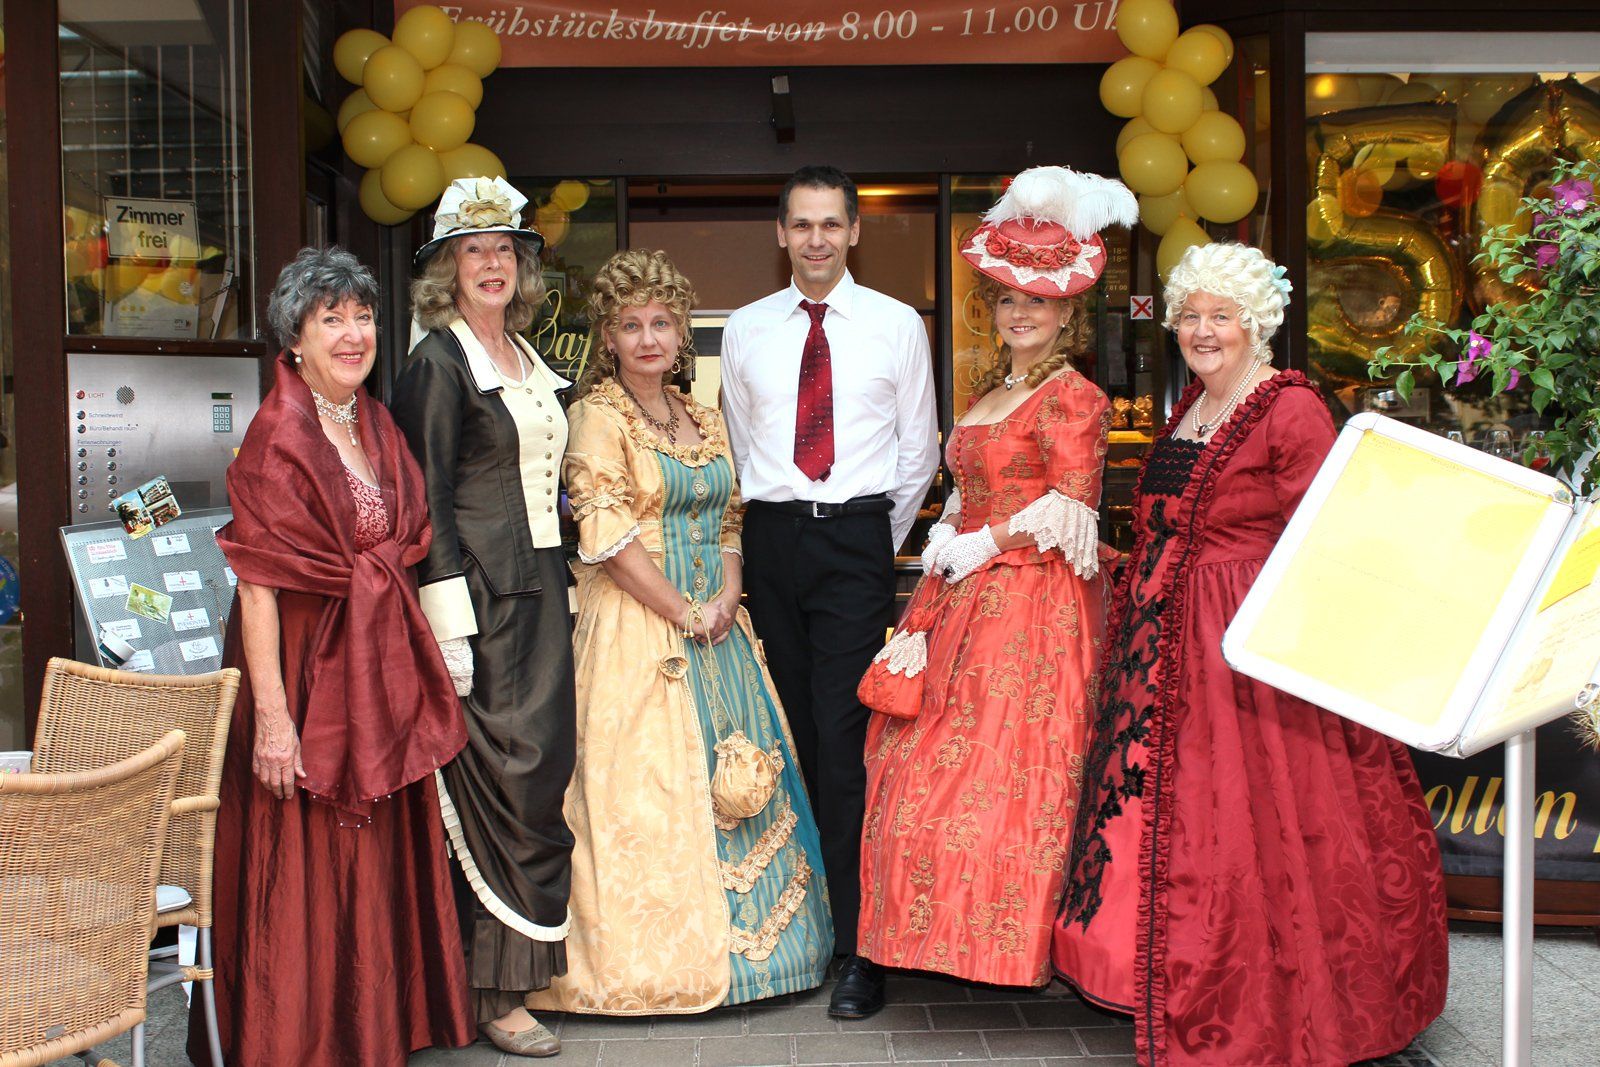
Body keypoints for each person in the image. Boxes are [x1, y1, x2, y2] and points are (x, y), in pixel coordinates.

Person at [1053, 243, 1449, 1065]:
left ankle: (1266, 991)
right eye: (1191, 315)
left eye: (1221, 316)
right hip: (1167, 640)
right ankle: (1160, 975)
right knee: (1176, 814)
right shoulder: (1194, 406)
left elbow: (1327, 532)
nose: (1203, 330)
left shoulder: (1287, 405)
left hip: (1248, 648)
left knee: (1255, 821)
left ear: (1256, 323)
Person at [526, 249, 833, 1015]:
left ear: (681, 332)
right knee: (645, 795)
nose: (649, 338)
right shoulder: (597, 416)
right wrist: (684, 609)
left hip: (717, 623)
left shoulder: (700, 413)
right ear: (609, 336)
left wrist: (728, 594)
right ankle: (649, 969)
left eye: (661, 322)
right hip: (639, 624)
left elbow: (732, 513)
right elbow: (607, 532)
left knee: (743, 772)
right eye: (631, 325)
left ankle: (770, 957)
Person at [193, 247, 472, 1067]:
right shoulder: (278, 434)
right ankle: (303, 1036)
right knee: (311, 848)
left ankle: (371, 1023)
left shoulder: (370, 419)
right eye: (331, 319)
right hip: (302, 671)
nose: (353, 334)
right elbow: (257, 588)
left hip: (371, 664)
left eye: (362, 316)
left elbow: (400, 548)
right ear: (295, 336)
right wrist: (274, 723)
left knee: (374, 842)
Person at [857, 167, 1134, 987]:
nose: (1020, 312)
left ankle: (1000, 946)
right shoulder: (993, 388)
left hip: (1030, 604)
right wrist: (948, 522)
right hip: (959, 596)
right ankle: (923, 941)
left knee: (1006, 774)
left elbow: (1072, 505)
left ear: (1066, 312)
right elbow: (973, 481)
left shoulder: (1075, 397)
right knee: (917, 764)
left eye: (1038, 301)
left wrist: (983, 540)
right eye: (1009, 298)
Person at [720, 164, 939, 1018]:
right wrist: (787, 531)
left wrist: (864, 544)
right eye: (800, 224)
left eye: (830, 225)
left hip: (856, 536)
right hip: (774, 539)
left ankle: (860, 950)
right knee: (792, 734)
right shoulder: (745, 329)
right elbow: (742, 446)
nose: (815, 238)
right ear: (781, 234)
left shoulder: (895, 326)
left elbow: (920, 451)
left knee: (848, 748)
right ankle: (798, 930)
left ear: (854, 233)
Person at [390, 177, 575, 1059]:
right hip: (485, 603)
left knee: (540, 780)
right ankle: (491, 993)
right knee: (504, 782)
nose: (491, 263)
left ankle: (519, 974)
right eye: (473, 250)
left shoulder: (528, 357)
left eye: (504, 248)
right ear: (445, 270)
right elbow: (424, 499)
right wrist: (448, 623)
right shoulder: (436, 362)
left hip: (541, 590)